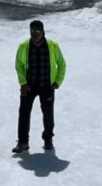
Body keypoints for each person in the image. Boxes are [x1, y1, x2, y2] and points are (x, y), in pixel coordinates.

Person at [12, 19, 66, 153]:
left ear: (43, 32)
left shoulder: (52, 45)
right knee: (24, 114)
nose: (35, 34)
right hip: (29, 86)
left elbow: (62, 64)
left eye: (37, 31)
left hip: (47, 86)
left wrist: (58, 81)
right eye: (32, 31)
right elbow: (19, 65)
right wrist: (23, 83)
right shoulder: (24, 46)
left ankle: (48, 140)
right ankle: (23, 142)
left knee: (48, 115)